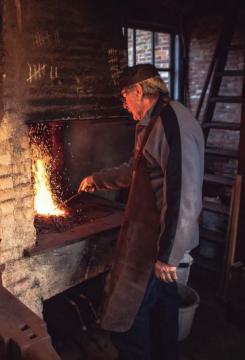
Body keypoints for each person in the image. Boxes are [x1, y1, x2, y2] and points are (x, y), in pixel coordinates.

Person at [79, 64, 204, 360]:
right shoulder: (154, 122)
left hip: (156, 243)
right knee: (162, 311)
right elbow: (136, 171)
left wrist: (168, 255)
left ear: (139, 90)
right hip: (153, 239)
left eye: (124, 97)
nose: (124, 105)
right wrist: (97, 180)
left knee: (131, 317)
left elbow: (183, 193)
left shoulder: (171, 123)